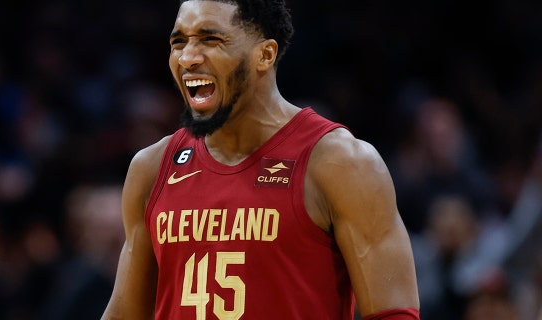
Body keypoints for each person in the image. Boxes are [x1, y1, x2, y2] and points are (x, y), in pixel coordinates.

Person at [101, 0, 420, 319]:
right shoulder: (151, 168)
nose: (188, 57)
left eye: (211, 39)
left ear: (264, 55)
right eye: (179, 41)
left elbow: (394, 313)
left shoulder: (340, 163)